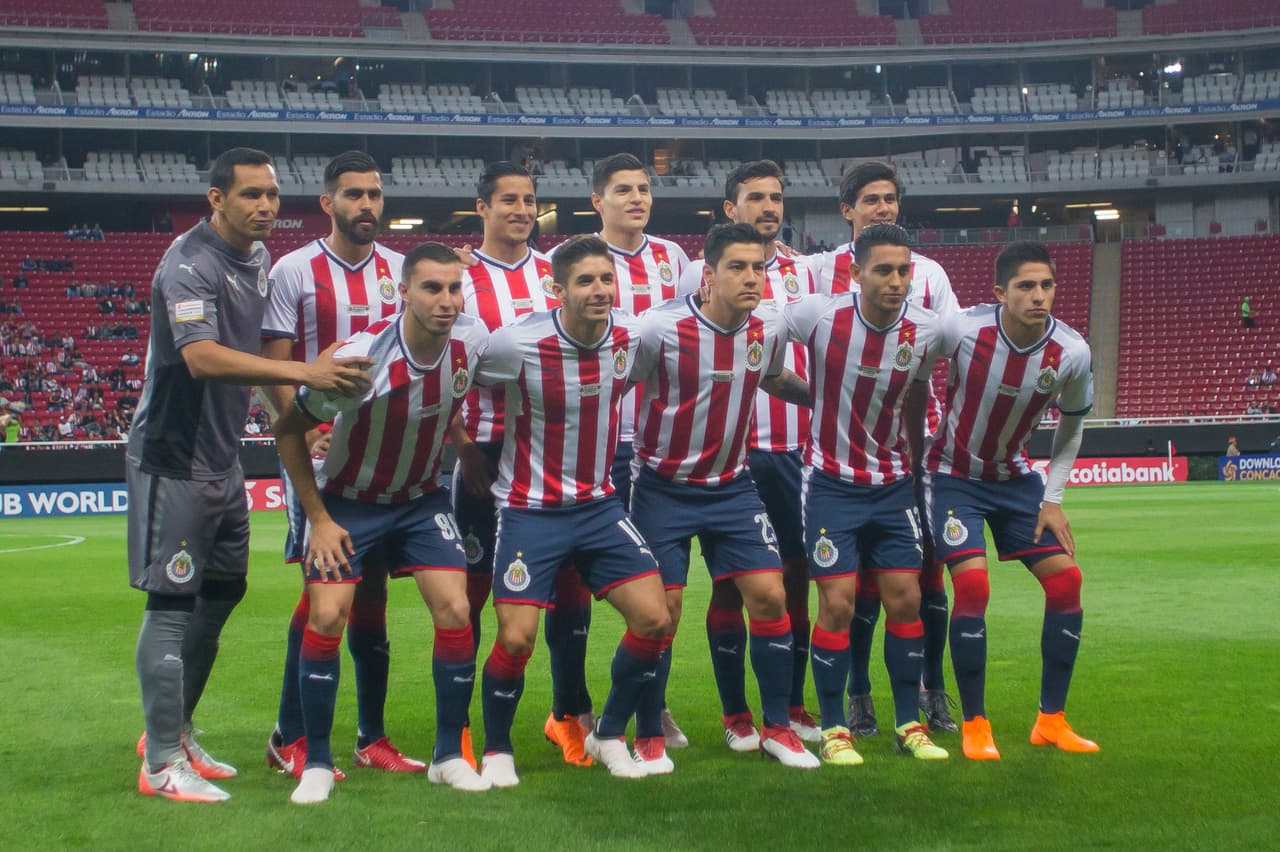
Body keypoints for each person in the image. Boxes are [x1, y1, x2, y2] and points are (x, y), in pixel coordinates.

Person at [128, 147, 372, 803]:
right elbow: (204, 358)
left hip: (222, 458)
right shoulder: (188, 263)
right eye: (250, 195)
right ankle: (158, 767)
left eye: (271, 194)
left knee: (223, 593)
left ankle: (173, 733)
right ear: (216, 199)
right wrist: (307, 375)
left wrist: (293, 416)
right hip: (172, 457)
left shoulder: (257, 258)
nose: (265, 206)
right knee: (173, 608)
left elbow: (247, 362)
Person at [274, 242, 491, 804]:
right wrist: (318, 519)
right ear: (403, 293)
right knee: (327, 616)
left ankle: (447, 756)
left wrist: (464, 445)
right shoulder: (360, 360)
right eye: (431, 288)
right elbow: (288, 430)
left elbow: (452, 402)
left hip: (420, 501)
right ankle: (316, 761)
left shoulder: (472, 342)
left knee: (457, 608)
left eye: (453, 288)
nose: (446, 301)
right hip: (348, 501)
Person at [462, 234, 672, 785]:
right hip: (530, 510)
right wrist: (463, 448)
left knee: (654, 618)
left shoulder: (630, 337)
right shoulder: (515, 344)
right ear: (556, 289)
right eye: (585, 281)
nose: (600, 290)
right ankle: (499, 750)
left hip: (600, 506)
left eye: (607, 279)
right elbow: (459, 380)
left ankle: (608, 734)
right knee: (515, 638)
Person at [629, 223, 818, 771]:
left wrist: (826, 398)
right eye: (737, 267)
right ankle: (648, 733)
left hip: (733, 485)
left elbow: (772, 379)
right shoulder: (658, 329)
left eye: (758, 267)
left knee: (771, 597)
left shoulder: (770, 328)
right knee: (661, 613)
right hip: (663, 488)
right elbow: (619, 384)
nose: (751, 278)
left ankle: (773, 727)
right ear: (707, 276)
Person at [260, 151, 422, 779]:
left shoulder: (402, 272)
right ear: (328, 204)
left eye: (376, 195)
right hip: (319, 460)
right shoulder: (295, 272)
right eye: (354, 195)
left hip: (386, 462)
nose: (367, 206)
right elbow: (275, 364)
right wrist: (306, 430)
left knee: (373, 595)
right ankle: (289, 733)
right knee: (324, 597)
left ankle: (371, 736)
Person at [539, 152, 692, 762]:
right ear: (596, 200)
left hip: (655, 447)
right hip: (590, 445)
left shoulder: (673, 260)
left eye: (644, 188)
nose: (637, 198)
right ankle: (571, 706)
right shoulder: (580, 259)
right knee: (572, 586)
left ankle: (652, 706)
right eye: (623, 190)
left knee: (656, 585)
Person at [780, 223, 949, 766]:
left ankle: (909, 723)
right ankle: (834, 728)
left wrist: (920, 463)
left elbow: (920, 392)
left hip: (894, 485)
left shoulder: (927, 331)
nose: (897, 281)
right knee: (838, 603)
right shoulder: (819, 316)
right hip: (830, 484)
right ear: (856, 273)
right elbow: (757, 351)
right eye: (883, 270)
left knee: (906, 599)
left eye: (904, 270)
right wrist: (811, 395)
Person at [927, 240, 1099, 761]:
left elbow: (1072, 427)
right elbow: (909, 372)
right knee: (973, 586)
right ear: (1000, 292)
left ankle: (1051, 719)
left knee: (1067, 579)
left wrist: (1053, 498)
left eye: (1046, 285)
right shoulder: (962, 329)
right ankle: (975, 724)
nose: (1039, 295)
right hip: (950, 475)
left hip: (1014, 478)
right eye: (1026, 286)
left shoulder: (1071, 352)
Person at [812, 161, 961, 737]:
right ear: (846, 209)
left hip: (913, 454)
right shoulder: (819, 274)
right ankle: (857, 694)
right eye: (871, 199)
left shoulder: (930, 276)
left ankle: (933, 689)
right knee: (857, 589)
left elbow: (950, 349)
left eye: (891, 199)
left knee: (927, 579)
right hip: (842, 456)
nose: (883, 208)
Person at [678, 160, 822, 748]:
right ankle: (735, 712)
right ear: (728, 210)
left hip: (792, 449)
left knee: (795, 579)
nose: (768, 206)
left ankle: (790, 703)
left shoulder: (805, 273)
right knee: (729, 584)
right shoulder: (697, 270)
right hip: (730, 455)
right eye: (754, 198)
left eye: (776, 197)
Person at [451, 161, 560, 762]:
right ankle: (463, 724)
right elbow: (437, 369)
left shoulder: (555, 276)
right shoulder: (460, 280)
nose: (521, 210)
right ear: (483, 207)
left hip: (548, 453)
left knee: (559, 595)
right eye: (509, 200)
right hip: (483, 452)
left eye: (529, 200)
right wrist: (462, 446)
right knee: (467, 594)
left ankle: (566, 714)